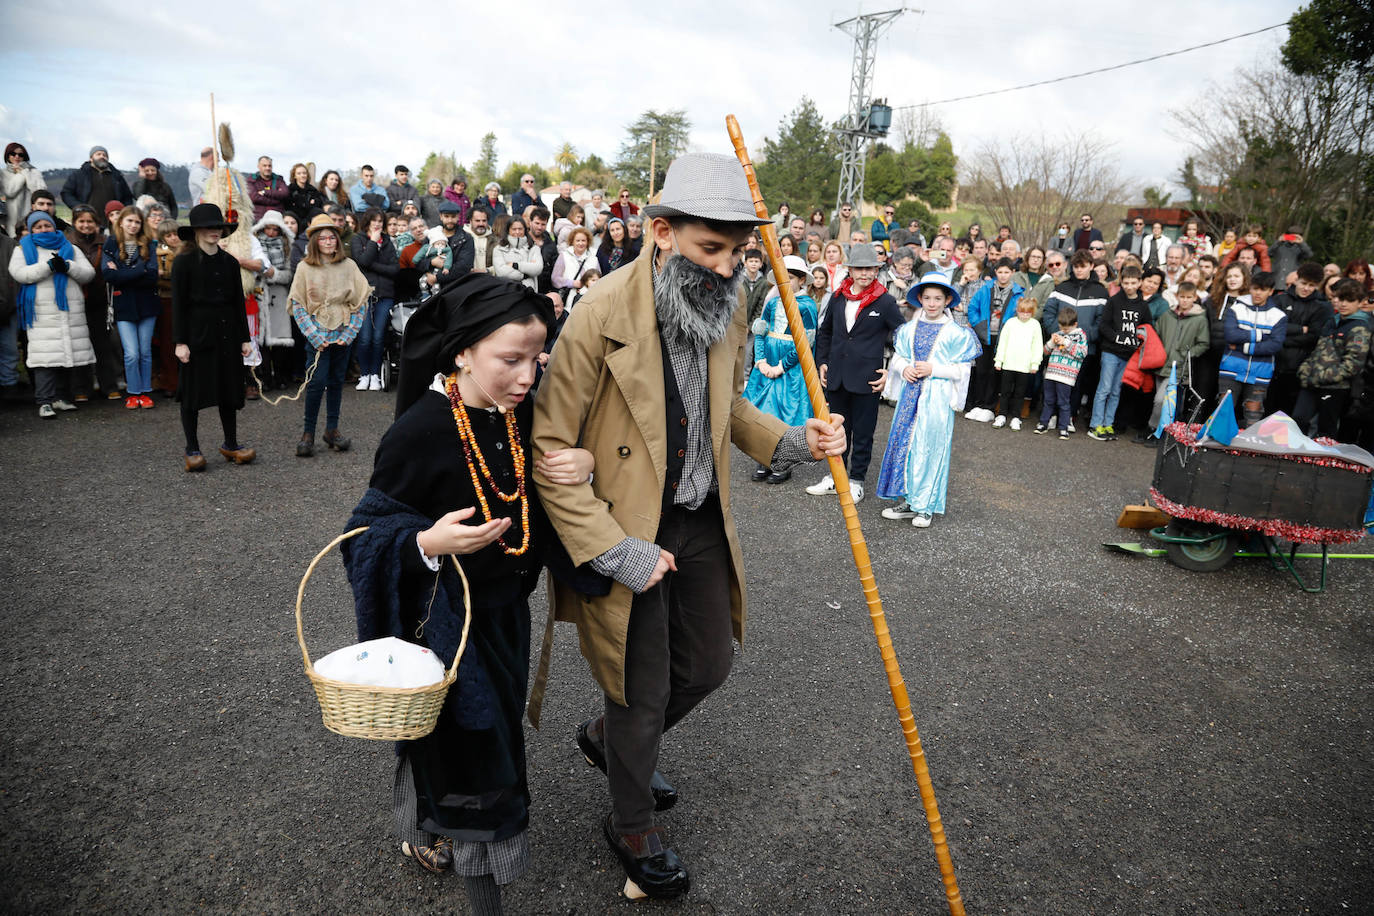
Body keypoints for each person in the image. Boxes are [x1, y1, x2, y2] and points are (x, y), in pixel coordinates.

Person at [530, 153, 845, 901]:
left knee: (707, 665)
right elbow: (550, 448)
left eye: (738, 251)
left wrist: (799, 440)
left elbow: (727, 408)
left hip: (701, 518)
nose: (728, 265)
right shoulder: (599, 312)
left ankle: (611, 743)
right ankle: (631, 822)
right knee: (639, 690)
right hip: (625, 525)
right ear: (663, 232)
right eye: (712, 248)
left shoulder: (730, 304)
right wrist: (612, 549)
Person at [342, 273, 592, 916]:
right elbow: (361, 538)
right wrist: (426, 542)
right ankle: (480, 887)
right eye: (508, 361)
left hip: (506, 619)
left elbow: (550, 492)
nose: (526, 378)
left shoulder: (520, 418)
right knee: (472, 755)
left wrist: (582, 463)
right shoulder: (419, 433)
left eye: (536, 362)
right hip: (443, 625)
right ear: (460, 352)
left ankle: (428, 828)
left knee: (480, 736)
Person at [875, 275, 981, 527]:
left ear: (947, 301)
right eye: (927, 298)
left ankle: (926, 505)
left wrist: (934, 368)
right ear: (920, 299)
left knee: (930, 448)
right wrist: (904, 368)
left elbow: (962, 370)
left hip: (936, 400)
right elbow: (898, 357)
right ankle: (910, 501)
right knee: (906, 445)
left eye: (938, 299)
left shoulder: (957, 333)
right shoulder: (908, 329)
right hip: (910, 397)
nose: (932, 304)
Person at [809, 241, 901, 503]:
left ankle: (856, 480)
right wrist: (823, 361)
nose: (864, 273)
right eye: (859, 268)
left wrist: (891, 370)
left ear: (877, 269)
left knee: (862, 433)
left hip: (867, 378)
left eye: (870, 268)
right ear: (850, 270)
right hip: (837, 375)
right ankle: (834, 476)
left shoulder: (885, 301)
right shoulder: (838, 297)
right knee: (835, 431)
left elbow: (904, 337)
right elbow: (826, 332)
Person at [170, 204, 255, 470]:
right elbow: (178, 304)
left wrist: (245, 338)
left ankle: (230, 444)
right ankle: (192, 448)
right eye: (207, 227)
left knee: (228, 389)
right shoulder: (183, 262)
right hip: (196, 334)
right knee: (192, 393)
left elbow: (237, 303)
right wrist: (180, 342)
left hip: (227, 334)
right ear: (196, 231)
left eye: (217, 226)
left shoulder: (229, 262)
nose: (213, 231)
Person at [289, 214, 371, 456]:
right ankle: (308, 432)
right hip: (318, 336)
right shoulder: (305, 267)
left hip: (342, 333)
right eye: (322, 238)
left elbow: (360, 301)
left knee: (336, 382)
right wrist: (314, 337)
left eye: (331, 237)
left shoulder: (349, 266)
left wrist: (350, 333)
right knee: (316, 383)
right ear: (315, 241)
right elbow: (298, 304)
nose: (328, 241)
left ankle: (332, 430)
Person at [10, 210, 97, 417]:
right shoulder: (23, 249)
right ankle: (45, 401)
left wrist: (67, 266)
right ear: (31, 230)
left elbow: (88, 274)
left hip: (69, 310)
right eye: (38, 227)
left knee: (66, 357)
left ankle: (61, 397)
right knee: (45, 359)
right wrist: (48, 266)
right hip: (41, 312)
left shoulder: (71, 248)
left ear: (53, 226)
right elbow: (20, 274)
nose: (43, 229)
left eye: (47, 225)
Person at [743, 254, 817, 483]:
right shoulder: (773, 303)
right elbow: (761, 332)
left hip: (789, 371)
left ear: (802, 280)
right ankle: (764, 459)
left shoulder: (806, 306)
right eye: (782, 278)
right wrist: (761, 361)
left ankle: (782, 463)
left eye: (792, 278)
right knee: (764, 414)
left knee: (786, 414)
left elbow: (805, 342)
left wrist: (781, 367)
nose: (786, 282)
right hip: (766, 369)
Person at [1293, 278, 1371, 438]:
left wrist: (1321, 376)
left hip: (1335, 388)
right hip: (1311, 383)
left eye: (1349, 300)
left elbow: (1353, 364)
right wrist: (1305, 370)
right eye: (1341, 299)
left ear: (1360, 302)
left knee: (1325, 432)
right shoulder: (1331, 322)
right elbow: (1317, 351)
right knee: (1298, 421)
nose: (1343, 304)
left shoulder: (1360, 328)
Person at [102, 206, 160, 410]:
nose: (134, 225)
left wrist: (123, 273)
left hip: (147, 304)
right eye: (130, 221)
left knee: (144, 351)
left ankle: (145, 392)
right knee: (131, 353)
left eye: (137, 222)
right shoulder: (110, 244)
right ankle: (133, 392)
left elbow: (152, 276)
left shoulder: (148, 245)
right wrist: (138, 271)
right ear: (120, 222)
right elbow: (108, 276)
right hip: (123, 304)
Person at [61, 203, 120, 400]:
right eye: (81, 221)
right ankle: (81, 389)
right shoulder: (66, 243)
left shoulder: (105, 242)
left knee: (103, 344)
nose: (86, 225)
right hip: (75, 301)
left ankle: (109, 385)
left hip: (100, 299)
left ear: (96, 223)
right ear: (74, 222)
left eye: (90, 221)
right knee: (79, 345)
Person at [1217, 271, 1287, 428]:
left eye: (1262, 290)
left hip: (1260, 372)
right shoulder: (1236, 309)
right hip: (1231, 368)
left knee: (1253, 415)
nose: (1258, 293)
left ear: (1270, 291)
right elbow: (1231, 335)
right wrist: (1261, 334)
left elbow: (1275, 345)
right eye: (1255, 288)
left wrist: (1246, 346)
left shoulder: (1278, 316)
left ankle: (1248, 449)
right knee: (1223, 410)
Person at [1089, 264, 1150, 440]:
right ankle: (1096, 424)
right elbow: (1104, 325)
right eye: (1126, 282)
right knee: (1105, 388)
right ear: (1121, 282)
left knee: (1116, 390)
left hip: (1129, 355)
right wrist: (1117, 338)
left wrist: (1139, 339)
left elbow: (1147, 327)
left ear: (1139, 283)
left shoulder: (1143, 306)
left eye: (1133, 283)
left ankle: (1108, 424)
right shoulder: (1114, 301)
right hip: (1110, 352)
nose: (1129, 286)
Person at [963, 257, 1024, 421]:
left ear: (1012, 272)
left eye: (1007, 272)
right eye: (1000, 272)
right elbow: (972, 308)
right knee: (981, 370)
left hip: (1004, 337)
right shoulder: (985, 288)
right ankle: (978, 404)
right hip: (985, 335)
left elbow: (1020, 314)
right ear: (995, 272)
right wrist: (978, 324)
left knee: (995, 373)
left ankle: (989, 407)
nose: (1003, 275)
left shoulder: (1018, 292)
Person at [349, 209, 398, 392]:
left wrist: (373, 267)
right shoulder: (358, 239)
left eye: (380, 221)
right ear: (367, 221)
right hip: (364, 295)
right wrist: (371, 242)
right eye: (374, 220)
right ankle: (365, 374)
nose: (377, 224)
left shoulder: (387, 241)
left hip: (385, 295)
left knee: (378, 337)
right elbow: (361, 261)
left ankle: (376, 374)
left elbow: (394, 269)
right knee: (364, 338)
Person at [252, 210, 296, 390]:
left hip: (278, 295)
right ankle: (263, 378)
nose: (270, 233)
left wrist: (273, 274)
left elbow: (289, 274)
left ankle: (281, 376)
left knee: (280, 341)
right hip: (259, 293)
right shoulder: (254, 245)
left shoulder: (287, 246)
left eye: (275, 229)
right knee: (260, 341)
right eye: (267, 228)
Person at [1034, 306, 1088, 439]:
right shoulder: (1059, 333)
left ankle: (1063, 428)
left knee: (1063, 402)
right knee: (1048, 400)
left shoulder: (1080, 335)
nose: (1064, 331)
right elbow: (1045, 351)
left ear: (1075, 324)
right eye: (1062, 327)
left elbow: (1082, 353)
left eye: (1067, 329)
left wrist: (1066, 342)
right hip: (1052, 373)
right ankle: (1043, 423)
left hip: (1066, 375)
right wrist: (1052, 342)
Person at [991, 296, 1042, 429]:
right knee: (1005, 391)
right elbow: (1003, 343)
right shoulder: (1010, 323)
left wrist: (1035, 363)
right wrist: (999, 360)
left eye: (1028, 312)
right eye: (1022, 312)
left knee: (1020, 393)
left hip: (1024, 367)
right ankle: (1001, 415)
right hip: (1008, 364)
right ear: (1017, 310)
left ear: (1032, 312)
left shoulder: (1035, 325)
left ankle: (1016, 417)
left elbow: (1037, 346)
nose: (1025, 315)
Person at [61, 146, 133, 227]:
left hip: (113, 222)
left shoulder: (117, 176)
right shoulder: (79, 175)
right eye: (98, 154)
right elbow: (66, 193)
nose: (102, 156)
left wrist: (123, 212)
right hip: (87, 222)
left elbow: (127, 197)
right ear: (91, 158)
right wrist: (79, 207)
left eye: (105, 155)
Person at [3, 142, 48, 237]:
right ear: (7, 156)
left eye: (20, 154)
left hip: (30, 218)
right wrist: (21, 175)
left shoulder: (34, 172)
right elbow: (10, 192)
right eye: (13, 154)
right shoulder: (3, 173)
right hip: (10, 220)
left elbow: (40, 192)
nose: (17, 157)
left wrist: (24, 172)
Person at [490, 216, 542, 291]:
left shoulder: (534, 248)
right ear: (508, 230)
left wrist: (516, 265)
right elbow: (501, 272)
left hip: (529, 291)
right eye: (514, 229)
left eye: (520, 229)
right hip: (507, 291)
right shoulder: (499, 249)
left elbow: (537, 268)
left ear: (525, 230)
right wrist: (525, 274)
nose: (517, 232)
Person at [551, 227, 597, 297]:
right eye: (577, 240)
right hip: (569, 300)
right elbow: (555, 279)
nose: (580, 243)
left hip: (590, 297)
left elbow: (599, 279)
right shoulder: (564, 255)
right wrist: (572, 283)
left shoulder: (594, 258)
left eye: (583, 240)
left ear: (588, 242)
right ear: (572, 241)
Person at [247, 156, 289, 222]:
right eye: (264, 166)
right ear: (258, 166)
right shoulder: (252, 180)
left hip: (277, 218)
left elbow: (284, 193)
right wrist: (277, 200)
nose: (267, 168)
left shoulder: (279, 180)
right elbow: (254, 197)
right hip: (258, 218)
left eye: (269, 166)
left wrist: (265, 192)